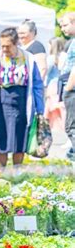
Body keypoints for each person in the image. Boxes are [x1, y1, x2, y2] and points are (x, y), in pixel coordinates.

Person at [0, 28, 44, 167]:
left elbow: (37, 85)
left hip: (21, 103)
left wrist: (40, 109)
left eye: (7, 46)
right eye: (2, 46)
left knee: (19, 140)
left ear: (16, 43)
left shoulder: (28, 59)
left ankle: (16, 172)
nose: (4, 49)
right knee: (0, 140)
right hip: (0, 103)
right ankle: (2, 172)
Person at [59, 12, 75, 160]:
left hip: (72, 87)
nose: (62, 28)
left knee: (72, 128)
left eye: (65, 25)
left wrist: (67, 89)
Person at [44, 37, 67, 131]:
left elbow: (46, 71)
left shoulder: (51, 58)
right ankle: (65, 127)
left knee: (49, 108)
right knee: (62, 108)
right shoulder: (65, 55)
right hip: (62, 83)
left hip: (52, 85)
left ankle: (47, 129)